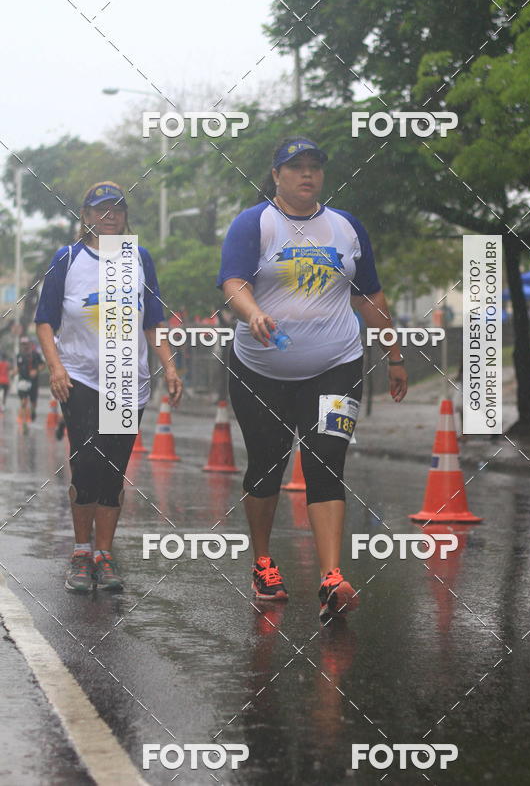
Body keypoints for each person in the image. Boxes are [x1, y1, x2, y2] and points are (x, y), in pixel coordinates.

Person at [217, 137, 408, 620]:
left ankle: (331, 577)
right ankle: (263, 562)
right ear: (276, 175)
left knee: (326, 461)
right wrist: (254, 311)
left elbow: (369, 298)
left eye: (314, 166)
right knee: (266, 465)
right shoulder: (254, 223)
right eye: (295, 167)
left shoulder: (346, 227)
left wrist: (395, 353)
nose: (307, 174)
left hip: (336, 365)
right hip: (259, 371)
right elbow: (233, 282)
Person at [34, 181, 183, 593]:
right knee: (86, 464)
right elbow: (45, 320)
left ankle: (104, 553)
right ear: (86, 216)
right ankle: (81, 553)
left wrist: (169, 367)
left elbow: (153, 319)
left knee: (114, 470)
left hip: (125, 381)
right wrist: (56, 367)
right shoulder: (68, 259)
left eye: (116, 209)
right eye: (100, 209)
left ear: (124, 216)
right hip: (79, 378)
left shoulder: (140, 259)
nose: (109, 216)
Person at [15, 337, 43, 422]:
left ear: (29, 344)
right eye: (22, 344)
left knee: (33, 401)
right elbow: (18, 367)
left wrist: (36, 370)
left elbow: (42, 365)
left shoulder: (35, 354)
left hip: (33, 381)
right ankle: (24, 422)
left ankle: (33, 411)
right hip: (22, 381)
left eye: (25, 343)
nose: (24, 345)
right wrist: (13, 372)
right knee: (23, 401)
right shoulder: (19, 355)